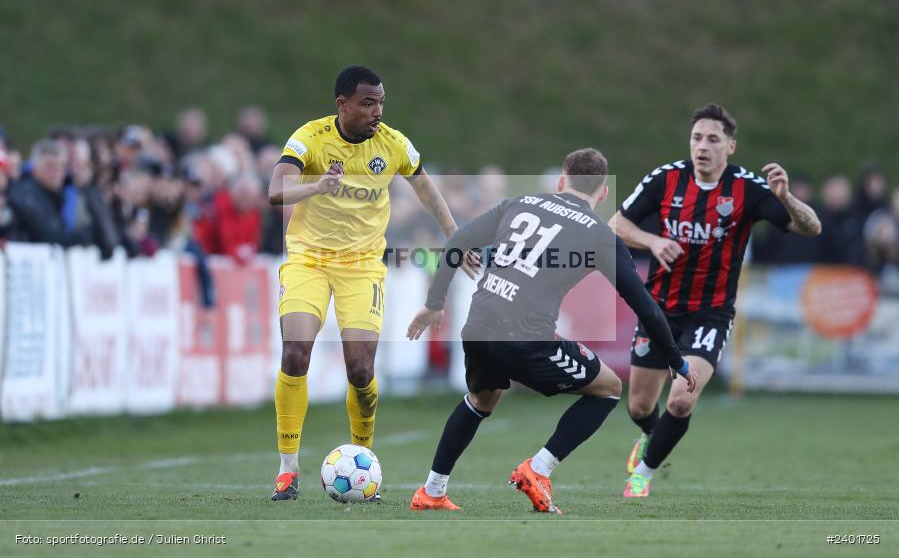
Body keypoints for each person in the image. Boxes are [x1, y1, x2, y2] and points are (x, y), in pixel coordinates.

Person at [404, 149, 696, 514]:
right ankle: (538, 469)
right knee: (608, 389)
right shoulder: (598, 235)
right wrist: (676, 360)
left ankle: (432, 491)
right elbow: (646, 306)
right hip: (526, 339)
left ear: (561, 180)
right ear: (602, 193)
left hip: (478, 324)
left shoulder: (520, 202)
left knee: (482, 399)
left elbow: (458, 241)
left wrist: (435, 303)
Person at [266, 65, 476, 501]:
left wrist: (456, 237)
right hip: (308, 260)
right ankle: (287, 468)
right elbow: (275, 190)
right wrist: (316, 187)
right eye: (367, 103)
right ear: (342, 104)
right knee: (294, 353)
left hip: (362, 267)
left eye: (380, 102)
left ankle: (363, 464)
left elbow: (428, 193)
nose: (377, 111)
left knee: (360, 369)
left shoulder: (394, 145)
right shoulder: (311, 137)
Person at [609, 104, 821, 498]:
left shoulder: (749, 189)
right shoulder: (666, 178)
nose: (702, 147)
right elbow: (616, 224)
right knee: (639, 406)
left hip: (711, 312)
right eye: (696, 137)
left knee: (682, 398)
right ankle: (653, 438)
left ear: (731, 146)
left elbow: (811, 227)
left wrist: (787, 198)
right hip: (658, 308)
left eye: (712, 139)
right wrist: (653, 241)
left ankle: (643, 473)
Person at [7, 139, 94, 247]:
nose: (56, 173)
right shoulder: (25, 195)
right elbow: (47, 236)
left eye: (61, 167)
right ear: (35, 167)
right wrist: (86, 235)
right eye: (50, 167)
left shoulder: (58, 195)